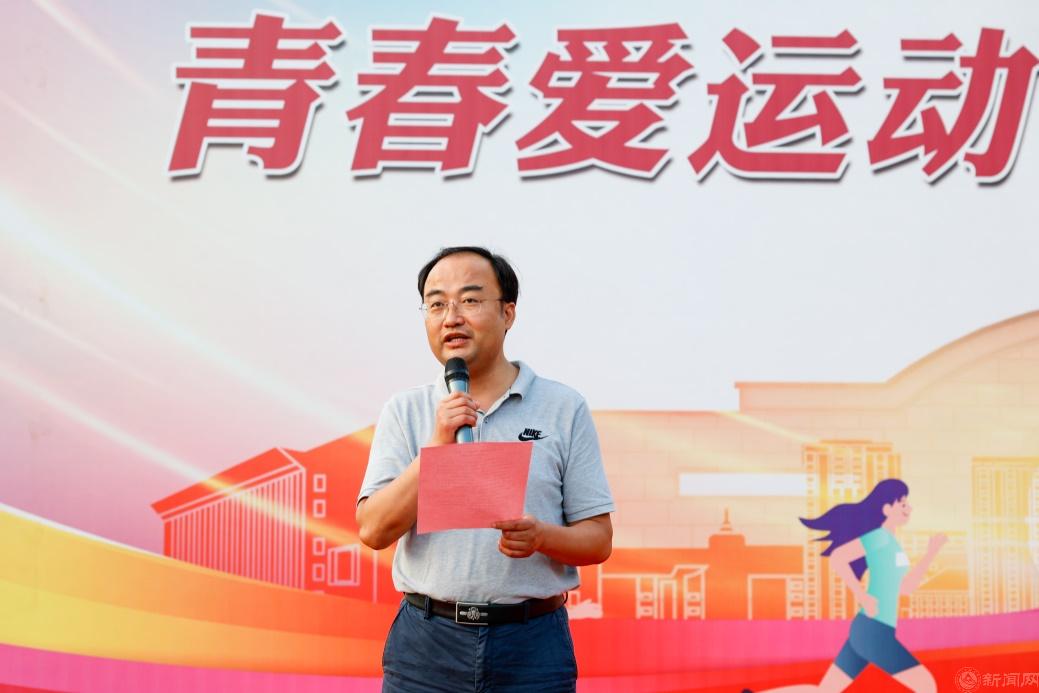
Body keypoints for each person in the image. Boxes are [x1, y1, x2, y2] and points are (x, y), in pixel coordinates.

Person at [356, 246, 615, 693]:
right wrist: (437, 446)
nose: (451, 317)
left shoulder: (562, 407)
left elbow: (598, 539)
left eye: (470, 300)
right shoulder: (406, 410)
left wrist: (541, 537)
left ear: (508, 312)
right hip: (427, 645)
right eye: (436, 304)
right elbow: (373, 530)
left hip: (531, 645)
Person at [746, 478, 946, 693]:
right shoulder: (879, 538)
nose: (909, 508)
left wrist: (930, 554)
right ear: (887, 509)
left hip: (870, 629)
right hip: (874, 631)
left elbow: (905, 587)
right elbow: (838, 557)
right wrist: (861, 595)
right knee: (926, 685)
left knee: (825, 691)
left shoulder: (893, 545)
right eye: (903, 503)